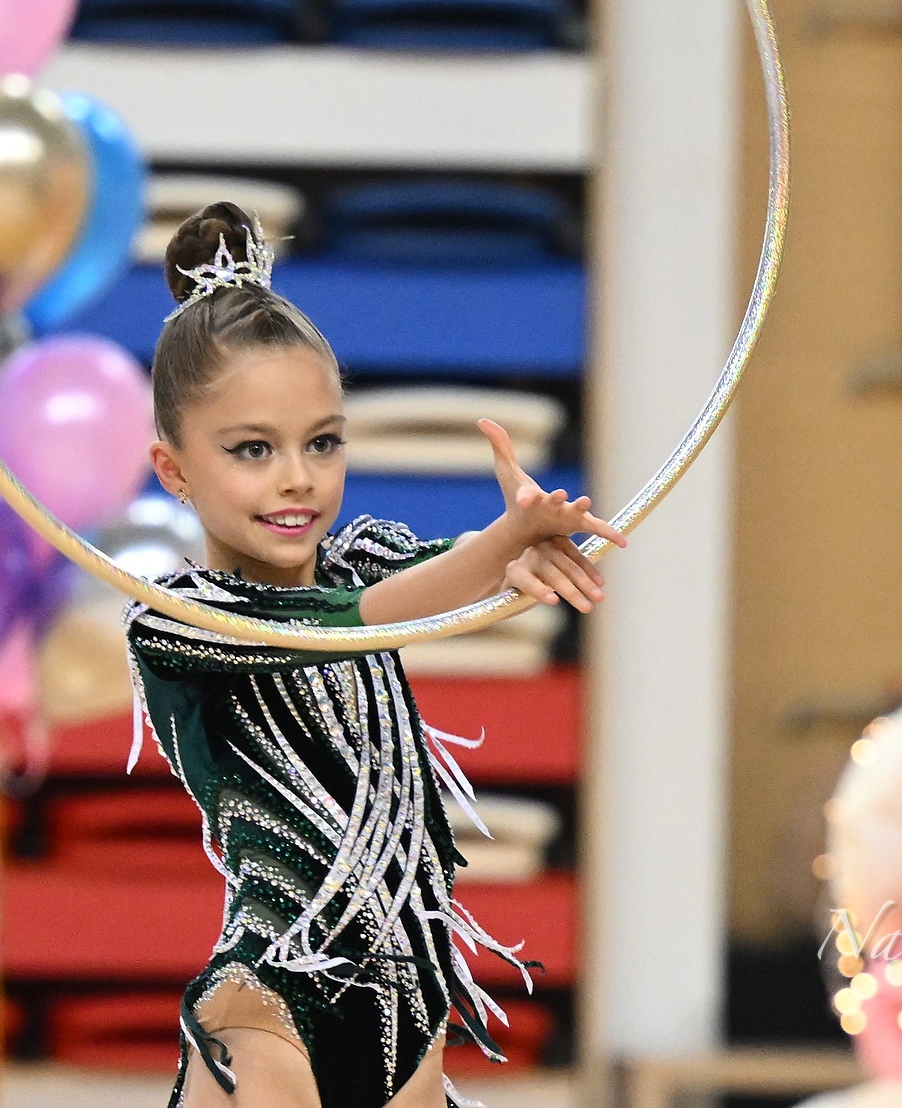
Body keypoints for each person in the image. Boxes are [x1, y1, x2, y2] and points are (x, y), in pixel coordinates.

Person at [123, 202, 625, 1108]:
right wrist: (494, 549)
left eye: (323, 441)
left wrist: (516, 545)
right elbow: (357, 618)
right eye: (251, 449)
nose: (297, 478)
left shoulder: (365, 552)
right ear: (174, 470)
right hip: (272, 1004)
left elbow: (442, 577)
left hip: (409, 1004)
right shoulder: (181, 620)